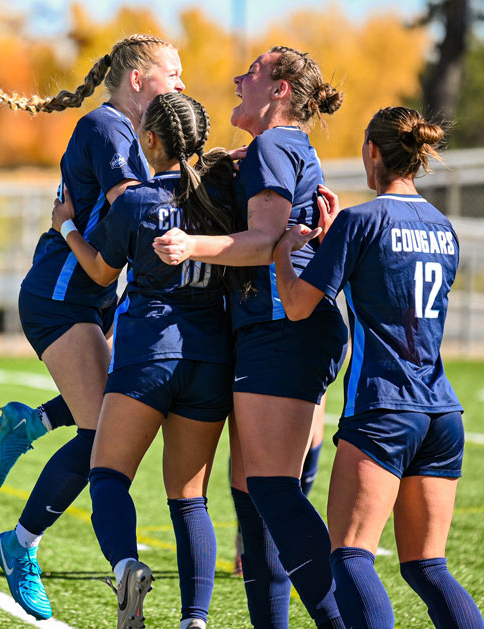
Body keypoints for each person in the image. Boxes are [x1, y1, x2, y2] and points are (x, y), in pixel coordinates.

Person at [0, 34, 185, 621]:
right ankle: (20, 544)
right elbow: (133, 204)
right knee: (100, 439)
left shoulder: (128, 132)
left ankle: (31, 420)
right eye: (173, 73)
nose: (181, 84)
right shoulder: (108, 125)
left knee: (117, 407)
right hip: (63, 294)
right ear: (138, 78)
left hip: (92, 294)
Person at [154, 46, 349, 629]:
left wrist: (190, 245)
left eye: (255, 72)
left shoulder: (272, 145)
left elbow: (266, 241)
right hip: (270, 329)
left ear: (282, 89)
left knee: (273, 493)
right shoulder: (273, 149)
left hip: (281, 329)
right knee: (254, 498)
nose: (240, 78)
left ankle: (342, 621)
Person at [271, 106, 484, 629]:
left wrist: (282, 252)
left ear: (372, 152)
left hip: (383, 410)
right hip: (441, 413)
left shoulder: (360, 220)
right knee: (428, 566)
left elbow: (299, 304)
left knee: (350, 555)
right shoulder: (444, 227)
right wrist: (334, 244)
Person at [51, 92, 236, 629]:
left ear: (148, 141)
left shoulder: (135, 202)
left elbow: (101, 272)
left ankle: (127, 566)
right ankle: (195, 620)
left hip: (149, 355)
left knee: (108, 475)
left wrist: (65, 226)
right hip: (210, 359)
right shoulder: (224, 194)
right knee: (189, 498)